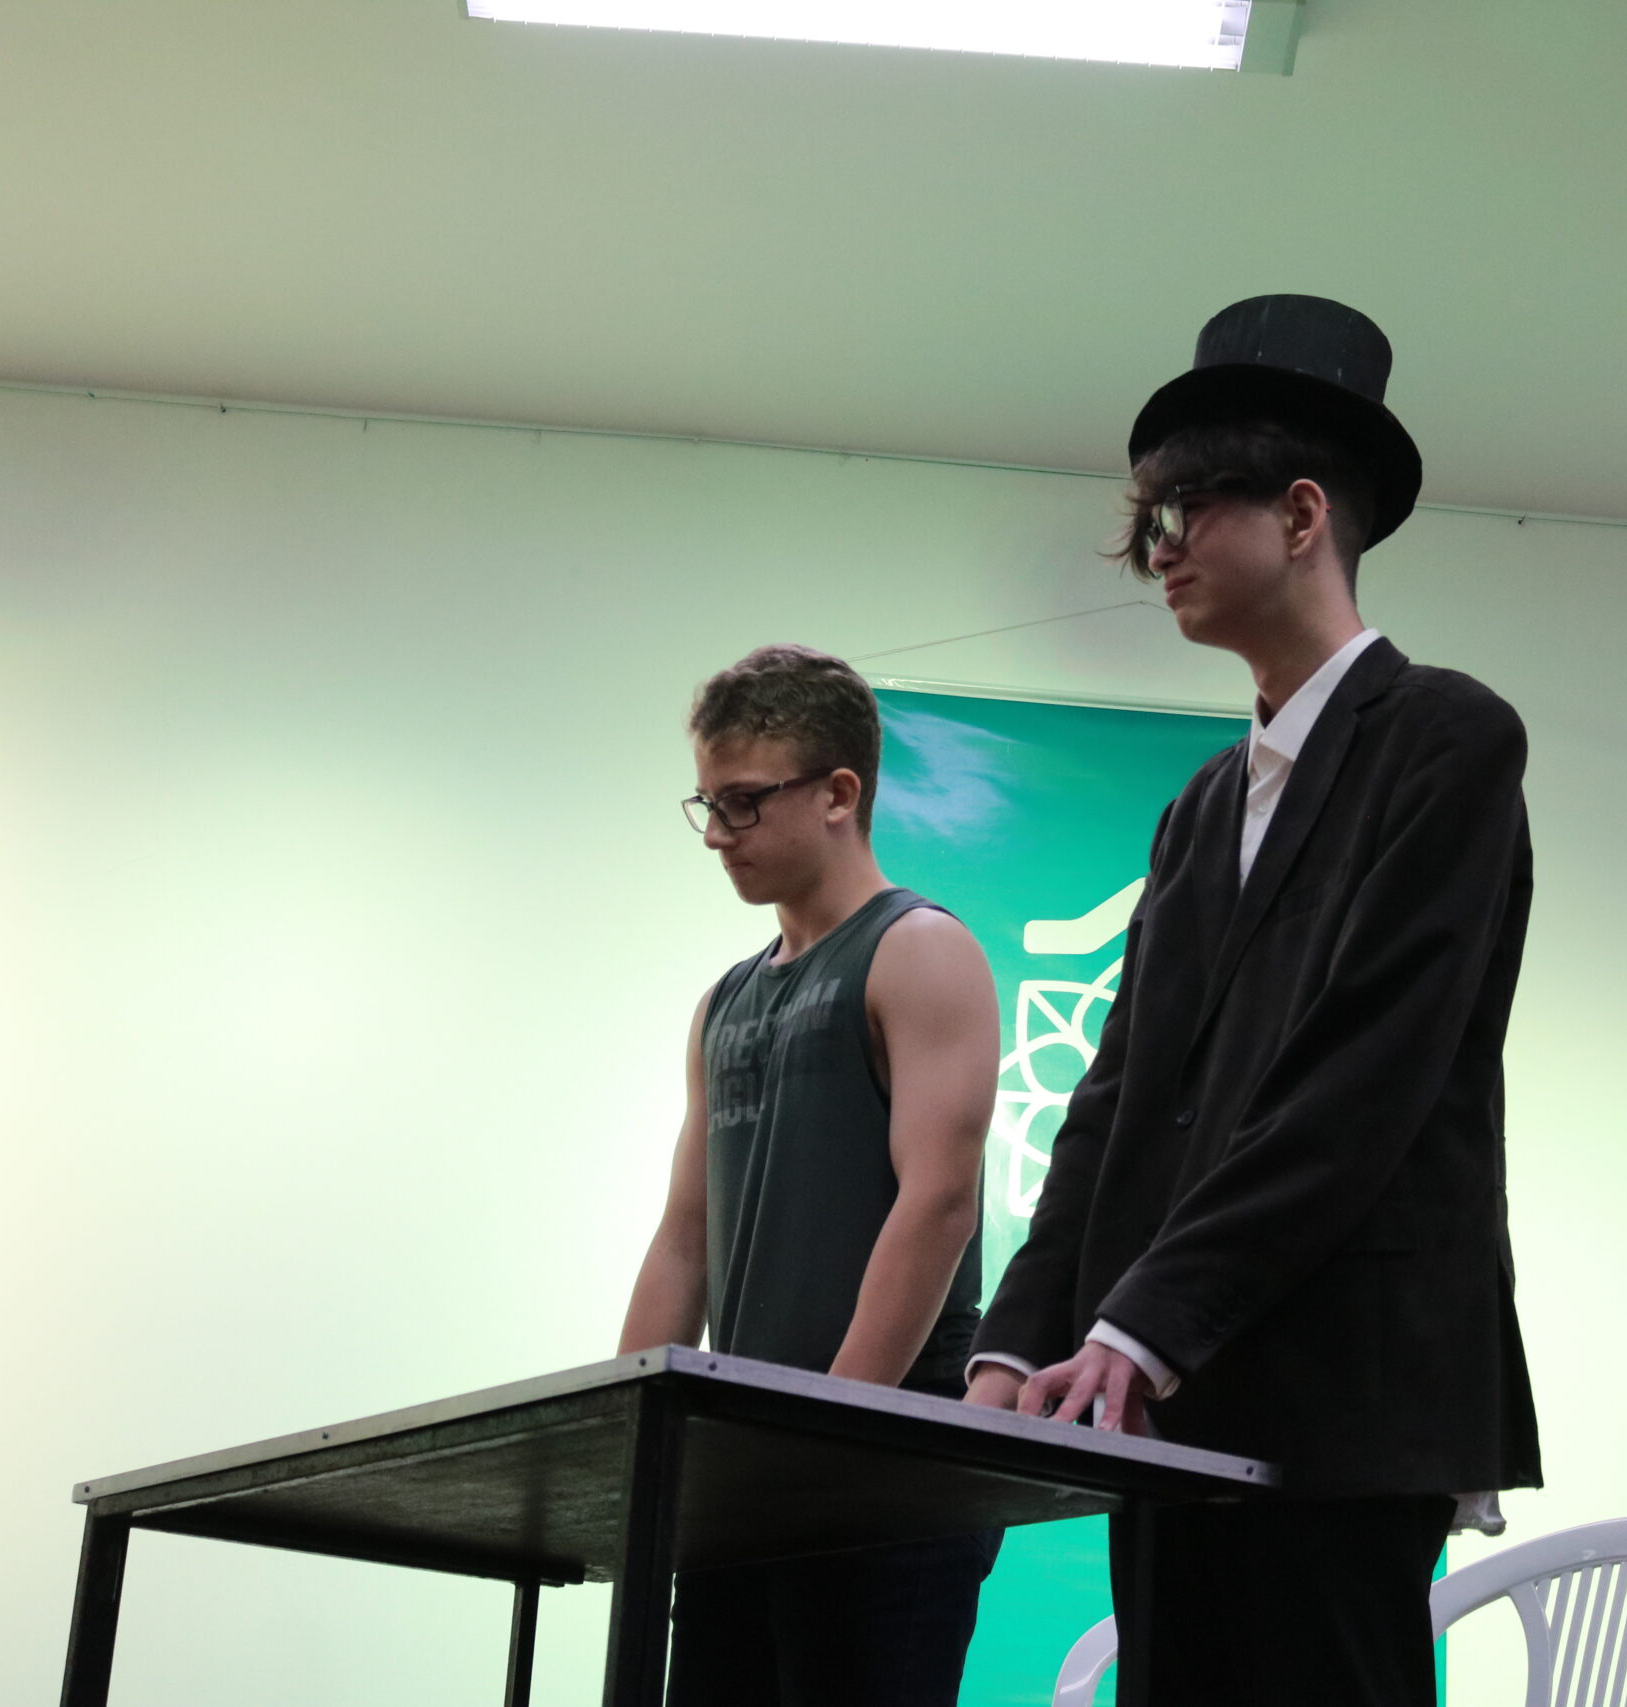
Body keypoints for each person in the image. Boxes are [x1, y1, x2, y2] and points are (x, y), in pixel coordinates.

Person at [964, 296, 1541, 1707]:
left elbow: (1366, 1071)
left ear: (1299, 515)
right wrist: (1016, 1337)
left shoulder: (1448, 738)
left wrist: (1139, 1323)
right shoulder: (1200, 806)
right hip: (1176, 1406)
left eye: (1187, 512)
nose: (1159, 552)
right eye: (1151, 525)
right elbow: (1116, 1097)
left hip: (1344, 1389)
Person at [618, 643, 1003, 1707]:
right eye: (707, 804)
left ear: (838, 793)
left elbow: (938, 1202)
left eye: (744, 802)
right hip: (745, 1479)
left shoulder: (920, 951)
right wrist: (630, 1442)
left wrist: (830, 1434)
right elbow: (684, 1235)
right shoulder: (724, 1002)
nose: (717, 834)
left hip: (886, 1472)